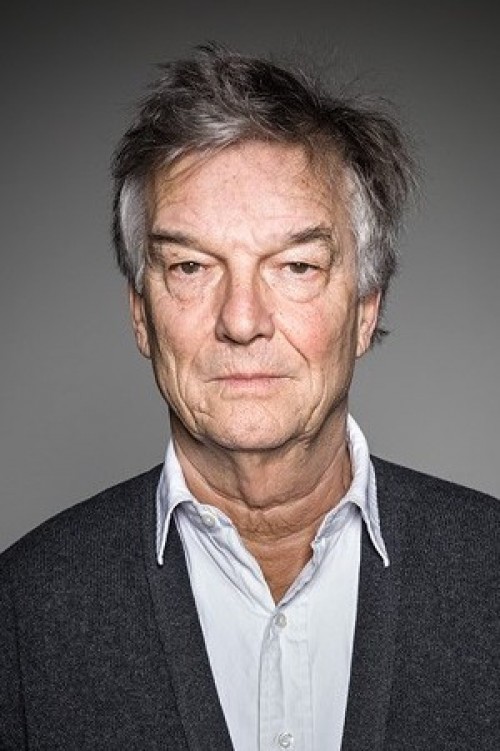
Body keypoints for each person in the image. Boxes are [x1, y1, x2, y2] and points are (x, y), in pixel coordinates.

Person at [1, 43, 498, 751]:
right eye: (191, 266)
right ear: (141, 314)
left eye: (295, 266)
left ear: (365, 308)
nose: (241, 320)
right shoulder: (23, 609)